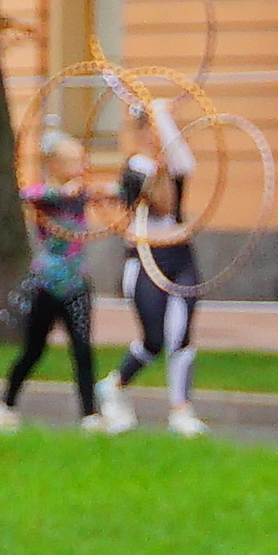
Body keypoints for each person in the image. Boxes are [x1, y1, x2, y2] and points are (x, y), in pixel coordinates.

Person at [0, 136, 105, 432]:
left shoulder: (81, 193)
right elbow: (27, 194)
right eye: (74, 162)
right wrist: (61, 191)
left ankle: (90, 415)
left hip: (77, 284)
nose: (81, 167)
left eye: (82, 161)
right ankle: (6, 404)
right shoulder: (45, 196)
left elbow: (112, 193)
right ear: (54, 164)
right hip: (47, 284)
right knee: (33, 349)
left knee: (82, 348)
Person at [117, 98, 205, 435]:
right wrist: (160, 164)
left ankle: (181, 408)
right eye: (152, 130)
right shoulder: (136, 170)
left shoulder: (175, 163)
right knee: (153, 340)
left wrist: (165, 118)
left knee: (181, 334)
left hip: (179, 255)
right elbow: (158, 198)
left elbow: (185, 164)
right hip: (145, 260)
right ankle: (115, 387)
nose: (160, 138)